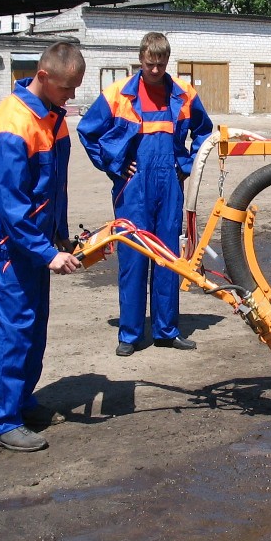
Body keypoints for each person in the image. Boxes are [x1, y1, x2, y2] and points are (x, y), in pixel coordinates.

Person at [77, 32, 214, 357]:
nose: (155, 70)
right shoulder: (118, 95)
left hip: (169, 185)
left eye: (161, 64)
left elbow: (205, 131)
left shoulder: (183, 93)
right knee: (133, 259)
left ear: (167, 62)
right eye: (150, 64)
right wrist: (113, 167)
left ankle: (167, 330)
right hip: (132, 188)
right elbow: (87, 131)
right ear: (141, 60)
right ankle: (130, 334)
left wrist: (187, 164)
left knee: (168, 257)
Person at [0, 41, 85, 452]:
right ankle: (0, 421)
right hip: (14, 248)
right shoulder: (12, 123)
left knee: (33, 329)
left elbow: (52, 186)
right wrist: (47, 253)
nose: (71, 96)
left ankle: (21, 402)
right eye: (66, 88)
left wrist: (59, 235)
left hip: (39, 243)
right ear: (43, 76)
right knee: (14, 330)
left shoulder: (52, 118)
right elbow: (11, 207)